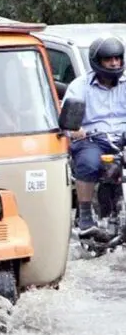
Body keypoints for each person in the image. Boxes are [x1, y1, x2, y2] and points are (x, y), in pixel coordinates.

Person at [64, 36, 126, 235]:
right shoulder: (79, 86)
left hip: (122, 137)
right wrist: (75, 129)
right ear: (97, 61)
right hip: (93, 139)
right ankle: (85, 216)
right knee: (88, 163)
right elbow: (68, 120)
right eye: (109, 59)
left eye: (118, 58)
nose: (115, 63)